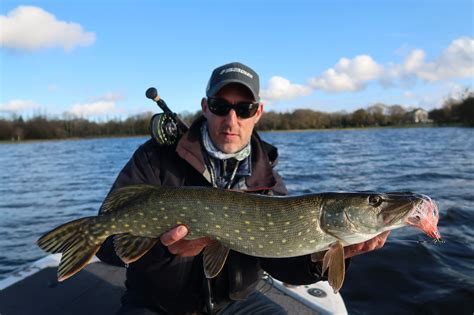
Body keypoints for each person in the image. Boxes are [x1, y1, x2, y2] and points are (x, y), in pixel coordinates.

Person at [96, 62, 390, 314]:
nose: (231, 120)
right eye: (220, 106)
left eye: (244, 108)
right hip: (156, 303)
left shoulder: (267, 177)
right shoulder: (155, 159)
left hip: (232, 303)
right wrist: (165, 250)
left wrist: (322, 260)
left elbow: (281, 264)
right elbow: (106, 246)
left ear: (258, 112)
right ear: (205, 107)